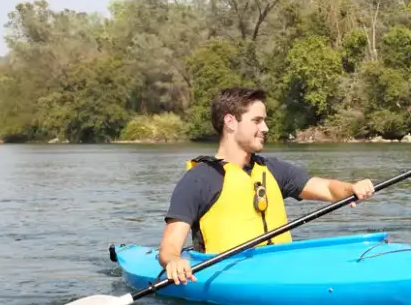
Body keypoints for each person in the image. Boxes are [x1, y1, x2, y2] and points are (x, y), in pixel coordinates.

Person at [159, 86, 376, 285]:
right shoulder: (199, 179)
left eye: (265, 121)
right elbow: (168, 249)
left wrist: (351, 188)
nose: (266, 127)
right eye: (257, 120)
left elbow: (327, 189)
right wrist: (174, 262)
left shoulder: (272, 169)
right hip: (227, 276)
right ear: (230, 122)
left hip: (282, 269)